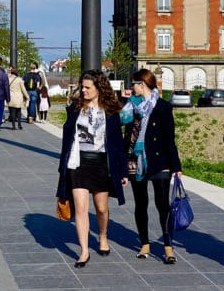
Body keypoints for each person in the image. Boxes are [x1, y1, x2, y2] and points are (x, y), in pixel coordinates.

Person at [56, 69, 128, 268]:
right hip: (78, 163)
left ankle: (103, 236)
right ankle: (84, 251)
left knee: (102, 209)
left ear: (99, 88)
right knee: (80, 208)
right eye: (82, 87)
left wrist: (122, 171)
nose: (84, 91)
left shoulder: (111, 111)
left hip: (101, 163)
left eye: (88, 88)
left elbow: (117, 144)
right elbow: (67, 138)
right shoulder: (75, 108)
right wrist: (63, 167)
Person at [120, 69, 182, 263]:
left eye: (134, 84)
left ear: (142, 84)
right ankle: (145, 243)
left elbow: (169, 139)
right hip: (135, 161)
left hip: (159, 161)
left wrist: (176, 166)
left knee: (163, 205)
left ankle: (168, 246)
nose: (131, 88)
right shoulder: (130, 107)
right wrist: (125, 102)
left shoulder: (163, 107)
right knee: (141, 204)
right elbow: (121, 126)